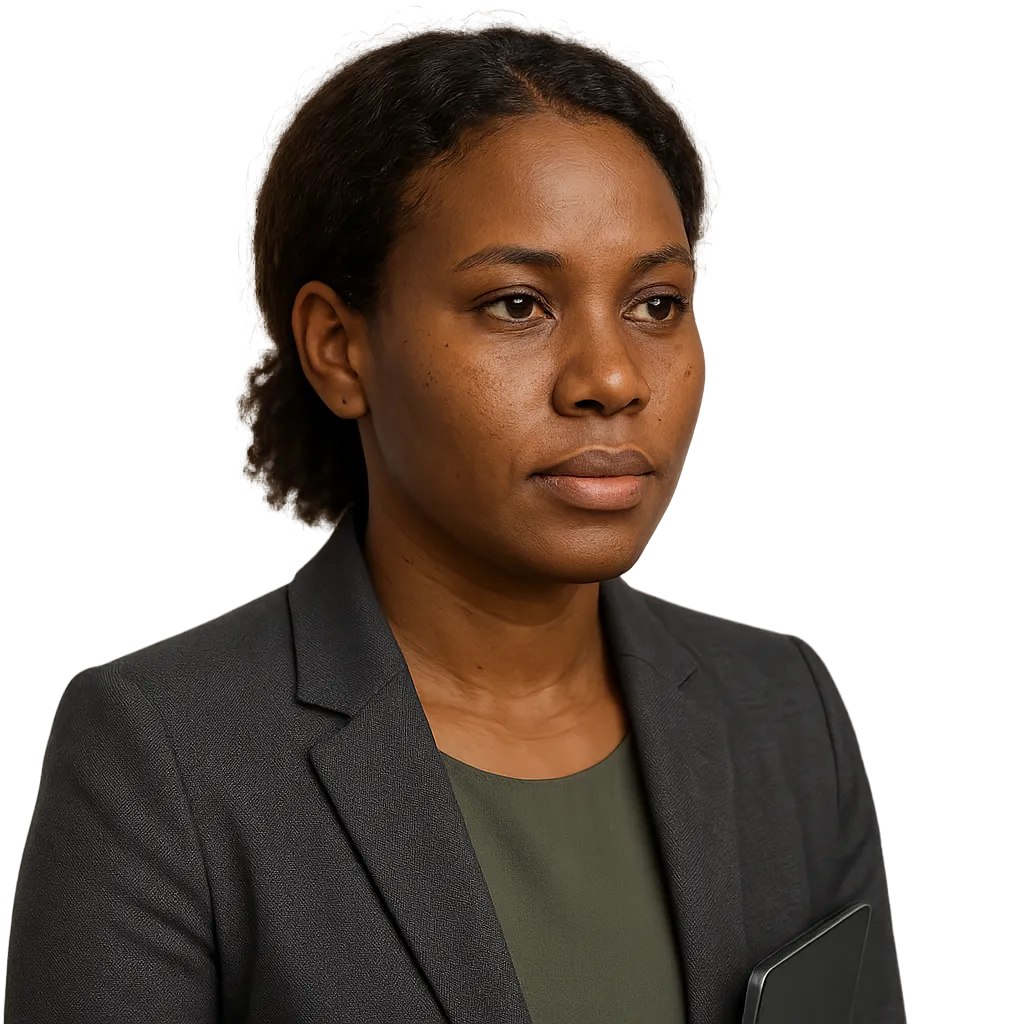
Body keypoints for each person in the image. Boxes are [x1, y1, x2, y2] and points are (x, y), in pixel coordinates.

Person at [4, 25, 906, 1024]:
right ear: (339, 348)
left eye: (656, 304)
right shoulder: (165, 755)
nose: (612, 377)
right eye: (517, 304)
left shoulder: (781, 710)